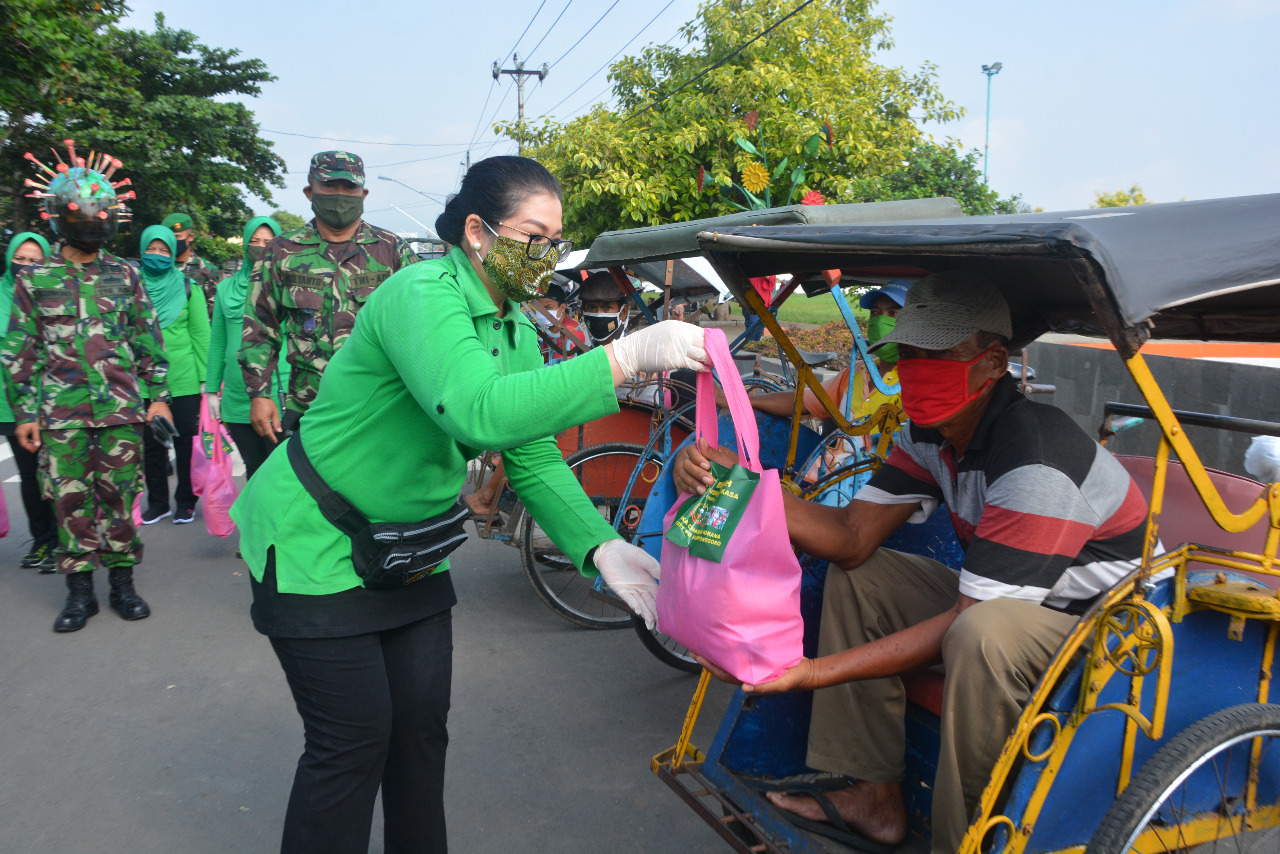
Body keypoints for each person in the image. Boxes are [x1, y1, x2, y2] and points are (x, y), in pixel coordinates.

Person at [231, 155, 709, 854]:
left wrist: (599, 546)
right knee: (353, 743)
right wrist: (623, 359)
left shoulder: (512, 323)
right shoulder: (422, 293)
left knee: (421, 734)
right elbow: (477, 411)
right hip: (316, 542)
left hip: (407, 548)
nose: (549, 254)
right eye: (535, 236)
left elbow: (529, 449)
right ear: (479, 233)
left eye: (557, 240)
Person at [673, 272, 1149, 854]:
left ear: (994, 363)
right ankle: (873, 795)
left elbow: (972, 618)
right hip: (1010, 604)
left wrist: (812, 671)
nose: (917, 368)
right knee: (861, 575)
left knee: (981, 633)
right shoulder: (932, 433)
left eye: (938, 355)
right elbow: (851, 536)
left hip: (1103, 635)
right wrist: (738, 482)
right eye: (910, 354)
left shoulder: (1036, 460)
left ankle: (965, 841)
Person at [4, 140, 172, 632]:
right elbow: (21, 349)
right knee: (69, 501)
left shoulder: (126, 275)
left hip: (121, 411)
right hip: (61, 415)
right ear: (60, 216)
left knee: (120, 497)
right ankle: (79, 594)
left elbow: (148, 341)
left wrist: (158, 398)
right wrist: (25, 413)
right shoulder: (36, 278)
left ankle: (123, 585)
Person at [239, 151, 419, 444]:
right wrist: (259, 393)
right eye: (329, 186)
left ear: (363, 193)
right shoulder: (281, 252)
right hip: (309, 409)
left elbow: (424, 322)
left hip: (378, 408)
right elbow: (259, 327)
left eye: (349, 188)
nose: (340, 196)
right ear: (310, 192)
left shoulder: (392, 251)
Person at [137, 225, 211, 525]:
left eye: (164, 250)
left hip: (183, 381)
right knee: (151, 446)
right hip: (142, 382)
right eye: (151, 249)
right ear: (141, 250)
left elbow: (200, 335)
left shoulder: (187, 287)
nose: (157, 255)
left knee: (184, 445)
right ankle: (157, 503)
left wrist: (208, 382)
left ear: (173, 253)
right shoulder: (131, 286)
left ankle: (186, 501)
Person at [207, 215, 288, 480]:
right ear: (244, 244)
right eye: (255, 241)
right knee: (253, 469)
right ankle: (255, 521)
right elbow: (218, 341)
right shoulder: (225, 288)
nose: (261, 246)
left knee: (280, 472)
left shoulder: (287, 286)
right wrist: (210, 391)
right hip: (236, 395)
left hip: (277, 393)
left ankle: (279, 523)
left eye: (268, 241)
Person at [0, 232, 59, 570]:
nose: (25, 266)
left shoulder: (52, 292)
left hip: (49, 400)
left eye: (34, 260)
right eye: (19, 258)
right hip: (10, 402)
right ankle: (42, 541)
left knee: (56, 474)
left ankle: (66, 542)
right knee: (28, 476)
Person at [161, 212, 220, 319]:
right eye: (169, 237)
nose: (173, 241)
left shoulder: (208, 270)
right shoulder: (158, 267)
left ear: (190, 237)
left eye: (177, 237)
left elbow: (215, 313)